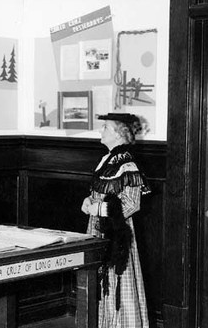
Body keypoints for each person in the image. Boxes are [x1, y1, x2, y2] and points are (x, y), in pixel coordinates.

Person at [81, 113, 150, 328]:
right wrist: (88, 200)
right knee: (101, 278)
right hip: (98, 227)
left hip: (116, 232)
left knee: (118, 277)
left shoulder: (127, 164)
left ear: (118, 134)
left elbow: (131, 205)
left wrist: (98, 207)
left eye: (105, 128)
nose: (101, 131)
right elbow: (101, 191)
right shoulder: (107, 159)